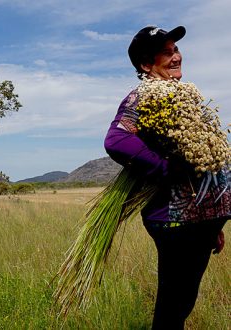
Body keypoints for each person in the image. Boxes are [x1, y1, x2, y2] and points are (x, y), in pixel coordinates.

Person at [104, 25, 230, 330]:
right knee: (174, 306)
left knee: (183, 301)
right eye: (166, 52)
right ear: (147, 65)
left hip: (197, 222)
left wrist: (212, 224)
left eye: (175, 50)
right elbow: (117, 139)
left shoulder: (177, 94)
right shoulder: (144, 94)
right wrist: (166, 167)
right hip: (175, 220)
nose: (176, 56)